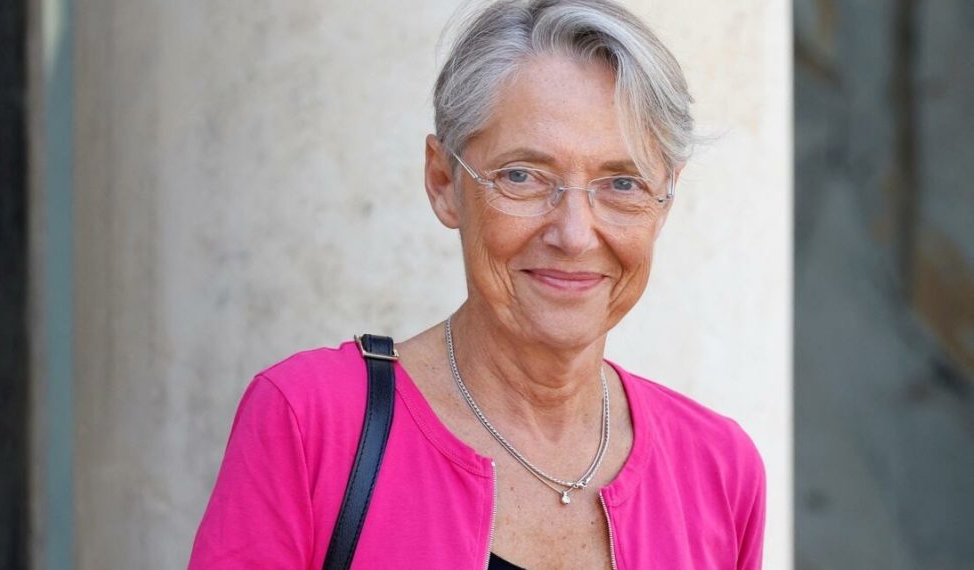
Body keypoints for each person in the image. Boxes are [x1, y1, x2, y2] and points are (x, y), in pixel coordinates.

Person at [189, 0, 766, 568]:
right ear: (443, 182)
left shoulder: (719, 470)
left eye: (621, 183)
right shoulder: (310, 422)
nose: (574, 234)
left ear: (665, 201)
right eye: (522, 176)